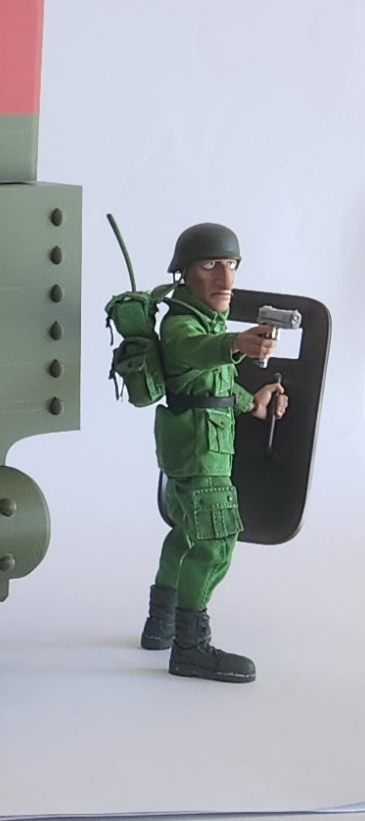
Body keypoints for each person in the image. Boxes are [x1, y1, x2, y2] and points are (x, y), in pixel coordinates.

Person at [140, 222, 287, 683]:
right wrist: (236, 343)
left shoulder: (204, 319)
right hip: (203, 454)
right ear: (184, 273)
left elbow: (212, 384)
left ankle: (161, 623)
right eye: (210, 265)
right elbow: (194, 351)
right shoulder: (182, 324)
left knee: (185, 535)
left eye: (232, 265)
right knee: (216, 543)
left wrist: (253, 404)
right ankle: (191, 647)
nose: (226, 278)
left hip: (192, 449)